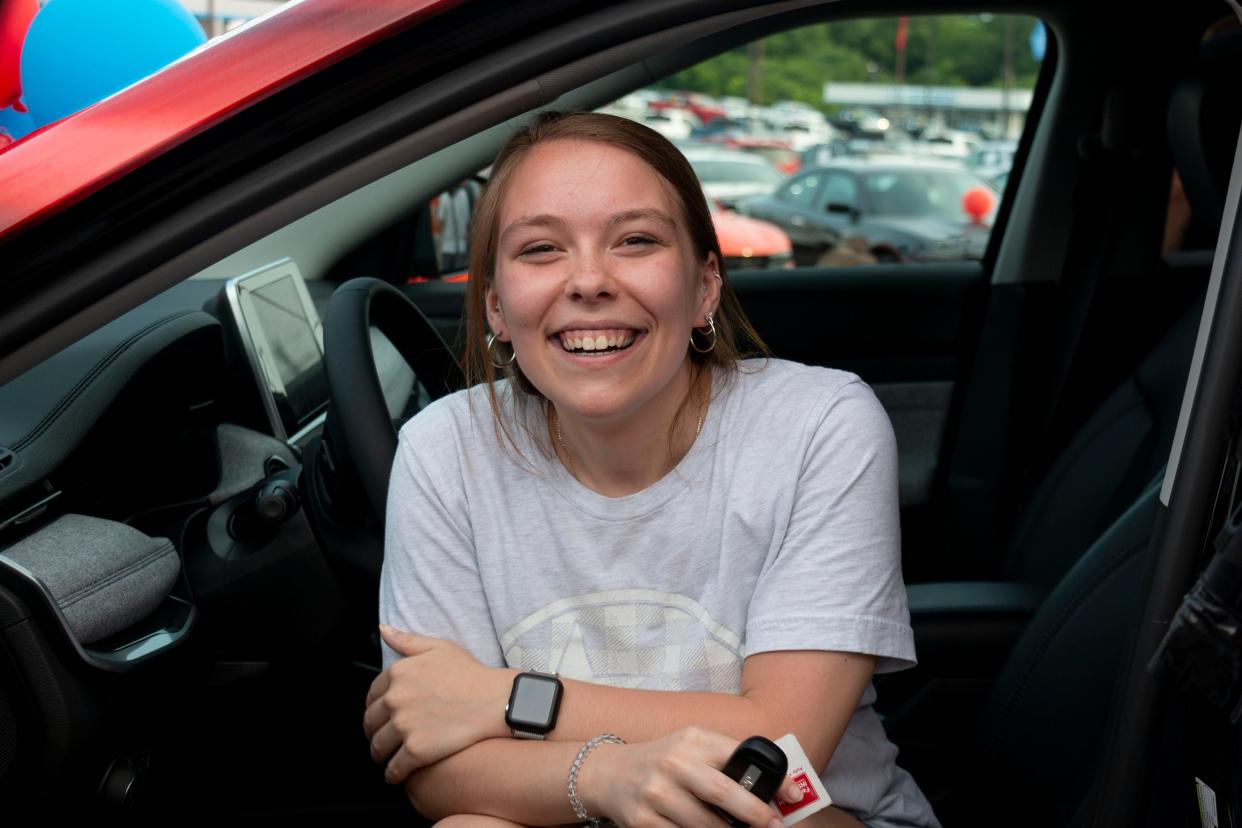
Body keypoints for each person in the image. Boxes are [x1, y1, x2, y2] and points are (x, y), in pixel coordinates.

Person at [364, 111, 939, 828]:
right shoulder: (444, 450)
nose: (589, 280)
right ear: (497, 310)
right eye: (541, 249)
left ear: (704, 287)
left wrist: (509, 698)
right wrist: (604, 775)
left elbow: (781, 751)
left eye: (635, 241)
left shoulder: (818, 424)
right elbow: (438, 767)